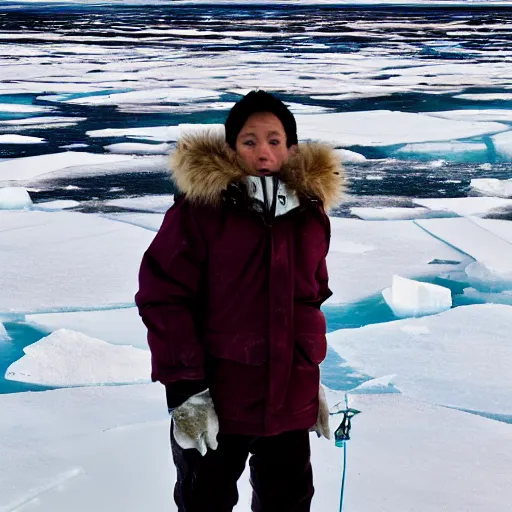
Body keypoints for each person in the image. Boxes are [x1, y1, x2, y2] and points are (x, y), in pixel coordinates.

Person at [135, 90, 345, 512]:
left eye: (274, 140)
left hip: (288, 401)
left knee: (289, 503)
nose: (263, 152)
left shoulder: (309, 215)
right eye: (250, 141)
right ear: (232, 149)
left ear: (291, 149)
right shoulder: (199, 213)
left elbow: (311, 299)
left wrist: (309, 381)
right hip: (217, 402)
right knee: (204, 503)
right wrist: (186, 391)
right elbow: (163, 298)